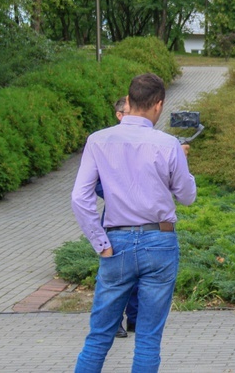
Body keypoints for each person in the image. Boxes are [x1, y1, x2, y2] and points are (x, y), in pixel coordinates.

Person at [71, 73, 197, 372]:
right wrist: (182, 160)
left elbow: (80, 197)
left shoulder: (98, 140)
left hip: (116, 242)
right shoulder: (168, 144)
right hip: (160, 241)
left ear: (128, 101)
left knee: (99, 336)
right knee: (149, 339)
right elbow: (188, 196)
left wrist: (100, 242)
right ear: (159, 105)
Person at [95, 97, 139, 339]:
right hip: (116, 219)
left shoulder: (146, 142)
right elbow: (95, 185)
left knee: (138, 275)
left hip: (145, 221)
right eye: (128, 113)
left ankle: (135, 318)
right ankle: (114, 321)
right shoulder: (104, 143)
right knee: (115, 274)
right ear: (119, 116)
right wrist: (119, 195)